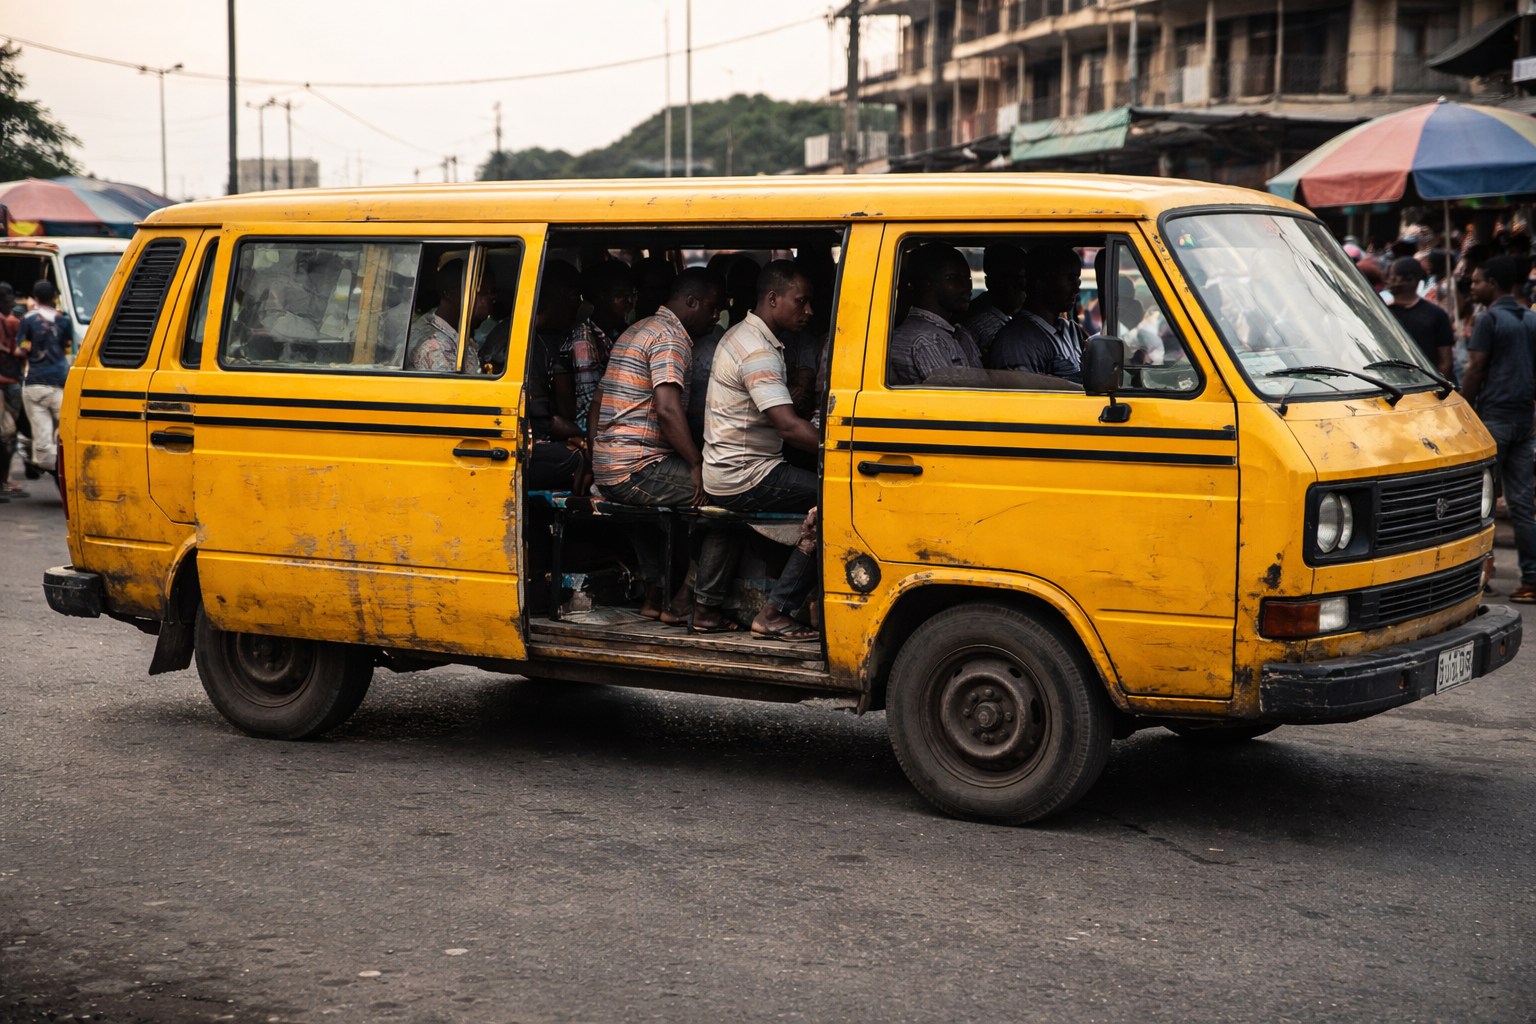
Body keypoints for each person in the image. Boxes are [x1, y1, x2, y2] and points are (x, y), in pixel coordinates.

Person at [696, 260, 822, 640]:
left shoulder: (741, 335)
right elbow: (787, 426)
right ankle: (775, 612)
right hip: (746, 475)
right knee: (843, 500)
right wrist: (843, 450)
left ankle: (702, 606)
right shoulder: (758, 351)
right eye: (801, 302)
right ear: (772, 298)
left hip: (724, 468)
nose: (809, 311)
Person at [590, 267, 725, 620]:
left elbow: (596, 402)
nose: (716, 316)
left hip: (610, 468)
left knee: (651, 511)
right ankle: (686, 600)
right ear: (691, 302)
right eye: (712, 308)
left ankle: (654, 594)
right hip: (637, 469)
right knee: (726, 498)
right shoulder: (671, 338)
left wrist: (598, 453)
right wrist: (697, 465)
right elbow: (667, 409)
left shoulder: (637, 329)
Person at [1461, 256, 1536, 603]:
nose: (1472, 286)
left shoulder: (1488, 319)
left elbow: (1474, 369)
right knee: (1521, 503)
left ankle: (1479, 575)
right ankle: (1531, 579)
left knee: (1481, 502)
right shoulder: (1531, 319)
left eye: (1476, 281)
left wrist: (1462, 410)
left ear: (1492, 283)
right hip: (1524, 420)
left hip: (1494, 419)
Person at [517, 260, 584, 491]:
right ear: (565, 296)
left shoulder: (534, 336)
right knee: (580, 458)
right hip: (527, 443)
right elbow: (543, 421)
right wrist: (582, 437)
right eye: (578, 297)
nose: (580, 306)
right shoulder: (531, 344)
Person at [987, 244, 1088, 383]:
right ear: (1041, 284)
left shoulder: (1071, 331)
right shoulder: (1017, 340)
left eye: (1078, 280)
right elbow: (1026, 399)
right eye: (1069, 279)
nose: (1077, 289)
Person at [887, 243, 982, 386]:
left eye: (968, 279)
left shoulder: (958, 333)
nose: (967, 286)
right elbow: (954, 401)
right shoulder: (927, 340)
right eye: (953, 278)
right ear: (926, 285)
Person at [564, 260, 635, 432]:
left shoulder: (615, 334)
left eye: (632, 294)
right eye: (622, 295)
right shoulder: (584, 341)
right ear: (602, 296)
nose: (630, 301)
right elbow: (591, 406)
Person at [16, 280, 71, 475]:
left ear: (35, 298)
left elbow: (21, 349)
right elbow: (67, 346)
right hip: (60, 382)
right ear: (55, 297)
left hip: (35, 384)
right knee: (65, 430)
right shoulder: (64, 320)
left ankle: (46, 463)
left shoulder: (28, 320)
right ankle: (65, 465)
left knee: (41, 434)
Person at [405, 259, 490, 373]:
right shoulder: (435, 346)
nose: (490, 298)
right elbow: (456, 389)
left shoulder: (448, 330)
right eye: (482, 292)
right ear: (450, 293)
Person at [1385, 257, 1454, 378]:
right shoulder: (1384, 313)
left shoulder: (1436, 315)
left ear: (1411, 279)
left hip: (1424, 388)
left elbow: (1445, 363)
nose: (1388, 281)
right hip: (1389, 384)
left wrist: (1436, 388)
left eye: (1393, 277)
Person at [964, 244, 1027, 359]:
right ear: (994, 282)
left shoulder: (981, 309)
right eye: (1021, 278)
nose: (1024, 286)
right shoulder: (987, 325)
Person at [0, 283, 26, 499]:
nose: (12, 302)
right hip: (9, 383)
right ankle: (3, 482)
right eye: (9, 298)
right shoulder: (13, 322)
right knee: (8, 436)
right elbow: (21, 351)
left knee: (7, 435)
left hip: (10, 382)